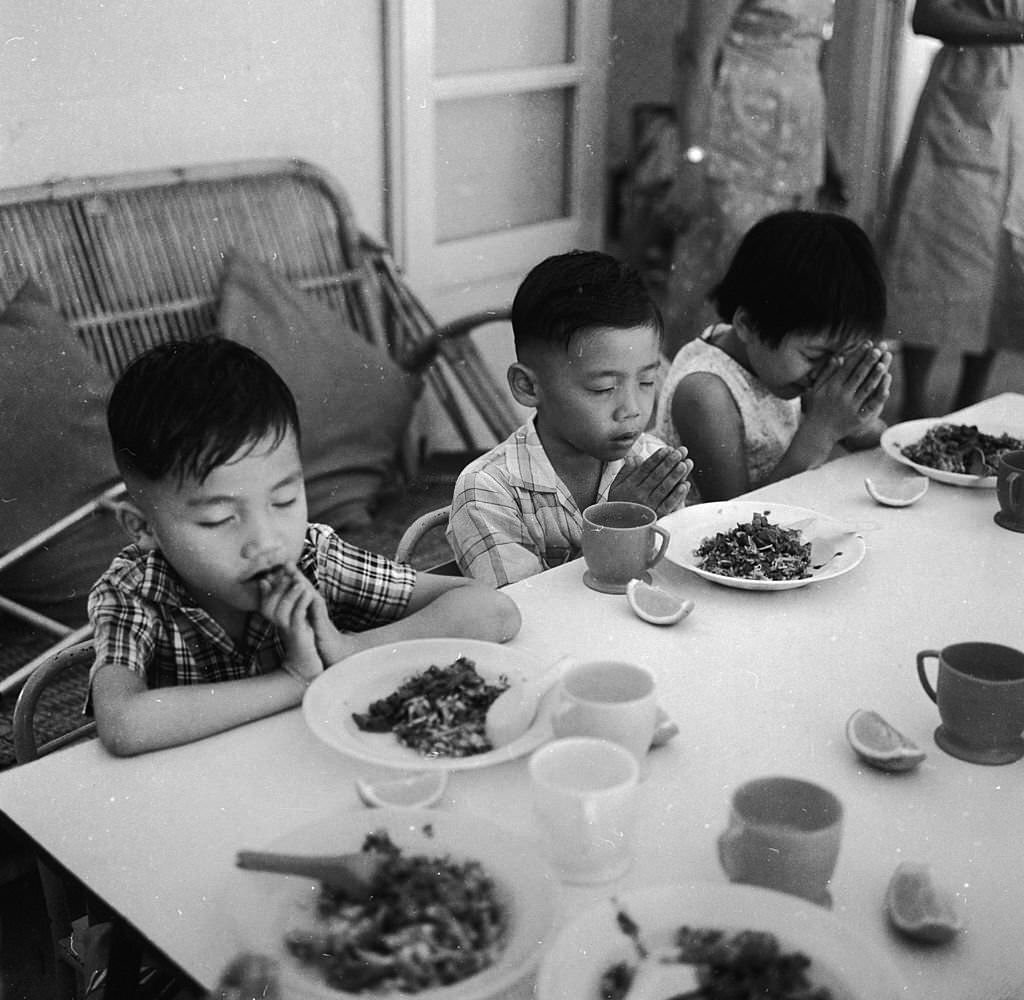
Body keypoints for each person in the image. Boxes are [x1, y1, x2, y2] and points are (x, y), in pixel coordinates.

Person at [88, 337, 521, 757]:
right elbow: (124, 723)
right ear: (142, 527)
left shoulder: (316, 557)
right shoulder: (135, 591)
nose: (267, 540)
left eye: (284, 501)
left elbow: (495, 612)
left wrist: (348, 650)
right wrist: (296, 679)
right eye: (219, 519)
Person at [446, 250, 693, 587]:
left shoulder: (648, 459)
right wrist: (615, 521)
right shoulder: (487, 491)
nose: (632, 409)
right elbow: (526, 615)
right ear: (528, 386)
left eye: (647, 381)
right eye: (603, 388)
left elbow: (675, 578)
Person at [656, 210, 892, 502]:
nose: (826, 371)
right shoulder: (705, 392)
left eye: (841, 355)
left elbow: (869, 439)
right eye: (815, 355)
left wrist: (859, 412)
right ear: (747, 324)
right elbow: (736, 520)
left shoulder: (781, 367)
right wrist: (821, 430)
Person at [658, 0, 836, 357]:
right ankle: (692, 396)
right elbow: (695, 57)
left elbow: (815, 57)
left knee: (784, 286)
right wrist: (692, 162)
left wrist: (829, 154)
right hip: (735, 148)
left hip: (799, 152)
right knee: (722, 285)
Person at [880, 0, 1024, 419]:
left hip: (1018, 102)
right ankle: (914, 404)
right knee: (935, 246)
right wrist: (1015, 30)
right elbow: (927, 15)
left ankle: (970, 400)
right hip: (967, 96)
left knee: (1008, 259)